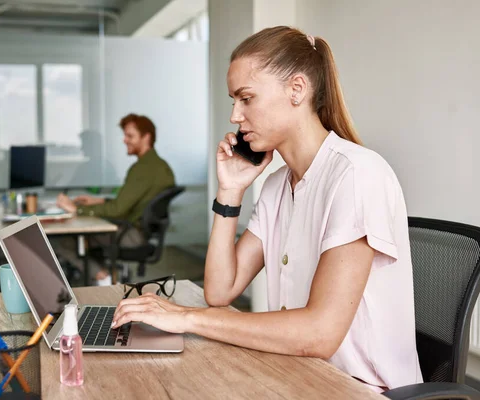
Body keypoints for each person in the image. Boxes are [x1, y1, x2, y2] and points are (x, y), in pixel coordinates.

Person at [111, 26, 422, 392]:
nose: (234, 116)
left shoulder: (356, 175)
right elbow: (221, 290)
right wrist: (230, 190)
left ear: (296, 90)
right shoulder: (277, 186)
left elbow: (319, 334)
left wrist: (186, 318)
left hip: (359, 389)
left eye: (245, 98)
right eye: (233, 100)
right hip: (302, 376)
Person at [56, 113, 175, 284]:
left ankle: (102, 277)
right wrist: (100, 201)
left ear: (146, 137)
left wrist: (78, 209)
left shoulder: (142, 169)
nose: (124, 140)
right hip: (140, 232)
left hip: (130, 234)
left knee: (64, 241)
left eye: (130, 136)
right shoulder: (160, 166)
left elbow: (119, 210)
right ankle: (103, 274)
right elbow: (133, 202)